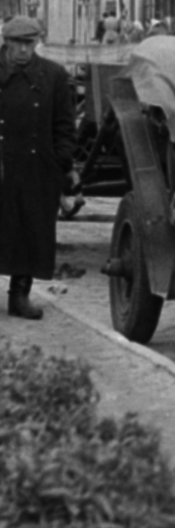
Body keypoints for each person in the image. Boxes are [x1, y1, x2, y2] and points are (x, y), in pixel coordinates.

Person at [0, 18, 77, 319]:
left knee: (30, 231)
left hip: (36, 166)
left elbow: (64, 125)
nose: (22, 50)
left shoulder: (53, 76)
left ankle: (20, 295)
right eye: (17, 43)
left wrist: (61, 163)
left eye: (29, 44)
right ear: (5, 42)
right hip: (2, 161)